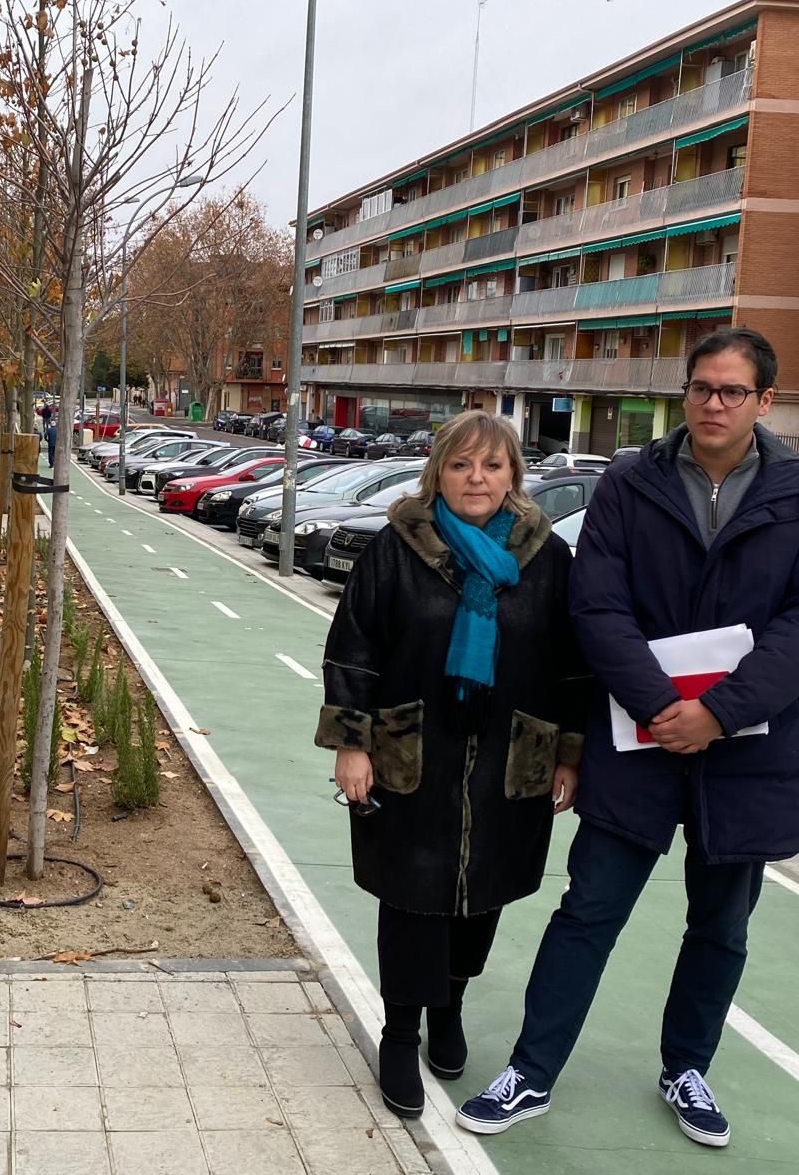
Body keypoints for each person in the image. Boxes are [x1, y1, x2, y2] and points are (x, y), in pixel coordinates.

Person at [457, 328, 799, 1148]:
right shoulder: (630, 484)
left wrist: (720, 712)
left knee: (721, 926)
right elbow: (598, 607)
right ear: (686, 393)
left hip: (750, 751)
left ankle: (687, 1067)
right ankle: (530, 1071)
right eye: (702, 387)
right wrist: (660, 706)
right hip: (637, 742)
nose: (714, 403)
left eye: (732, 391)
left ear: (765, 402)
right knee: (589, 909)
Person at [315, 410, 587, 1119]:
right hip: (411, 751)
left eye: (492, 466)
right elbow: (354, 648)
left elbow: (573, 666)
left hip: (509, 757)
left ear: (514, 478)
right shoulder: (398, 549)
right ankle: (400, 1032)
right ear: (437, 472)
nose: (477, 479)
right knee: (411, 896)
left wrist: (568, 753)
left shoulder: (547, 558)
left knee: (483, 891)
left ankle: (451, 1005)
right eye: (462, 464)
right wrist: (352, 742)